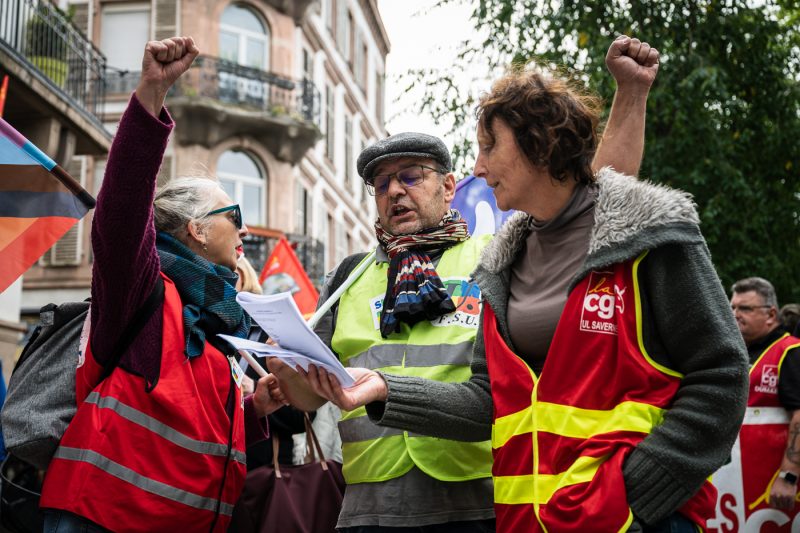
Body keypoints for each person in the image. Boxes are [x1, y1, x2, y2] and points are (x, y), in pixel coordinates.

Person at [287, 56, 751, 532]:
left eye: (489, 146)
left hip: (619, 518)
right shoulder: (505, 262)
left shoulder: (636, 234)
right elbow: (491, 399)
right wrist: (386, 388)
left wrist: (641, 490)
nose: (478, 167)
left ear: (541, 145)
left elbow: (721, 372)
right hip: (522, 518)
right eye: (381, 183)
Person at [39, 37, 286, 532]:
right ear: (195, 229)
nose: (243, 228)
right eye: (231, 214)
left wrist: (253, 407)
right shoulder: (143, 290)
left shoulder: (219, 314)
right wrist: (151, 97)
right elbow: (122, 209)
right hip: (99, 518)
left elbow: (186, 420)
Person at [730, 277, 800, 511]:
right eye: (732, 307)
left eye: (745, 308)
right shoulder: (737, 354)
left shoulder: (790, 352)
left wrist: (789, 477)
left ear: (771, 314)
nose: (735, 314)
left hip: (776, 491)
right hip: (738, 490)